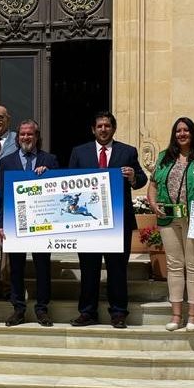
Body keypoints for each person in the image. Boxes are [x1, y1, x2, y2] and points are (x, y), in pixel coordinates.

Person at [68, 111, 148, 329]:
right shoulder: (79, 152)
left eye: (107, 126)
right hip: (88, 223)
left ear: (113, 129)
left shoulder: (127, 151)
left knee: (117, 269)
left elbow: (141, 179)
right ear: (93, 129)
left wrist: (133, 177)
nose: (103, 129)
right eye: (100, 126)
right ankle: (87, 312)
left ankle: (119, 313)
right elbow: (66, 182)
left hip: (118, 221)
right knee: (89, 269)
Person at [147, 117, 194, 333]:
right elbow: (153, 185)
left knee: (193, 264)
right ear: (174, 134)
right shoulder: (164, 157)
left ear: (193, 133)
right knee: (173, 265)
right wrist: (152, 204)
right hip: (168, 218)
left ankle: (193, 316)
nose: (182, 134)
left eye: (186, 130)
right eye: (178, 130)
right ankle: (176, 315)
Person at [0, 120, 59, 326]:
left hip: (42, 224)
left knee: (42, 267)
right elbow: (1, 195)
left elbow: (59, 192)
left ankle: (42, 309)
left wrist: (48, 175)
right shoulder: (7, 162)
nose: (26, 137)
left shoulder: (49, 160)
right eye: (22, 134)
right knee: (16, 268)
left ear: (37, 136)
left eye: (30, 134)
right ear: (18, 137)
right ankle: (18, 309)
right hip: (14, 224)